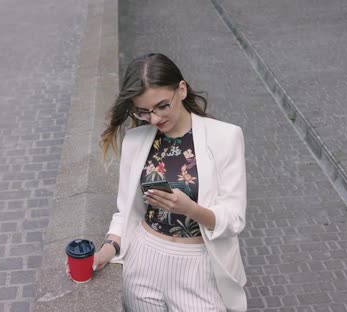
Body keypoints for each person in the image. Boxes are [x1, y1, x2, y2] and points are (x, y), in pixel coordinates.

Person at [91, 53, 247, 311]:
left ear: (182, 89)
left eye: (162, 106)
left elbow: (235, 219)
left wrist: (190, 209)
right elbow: (126, 211)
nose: (154, 119)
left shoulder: (226, 137)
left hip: (199, 267)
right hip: (143, 262)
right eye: (143, 111)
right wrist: (106, 251)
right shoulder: (135, 140)